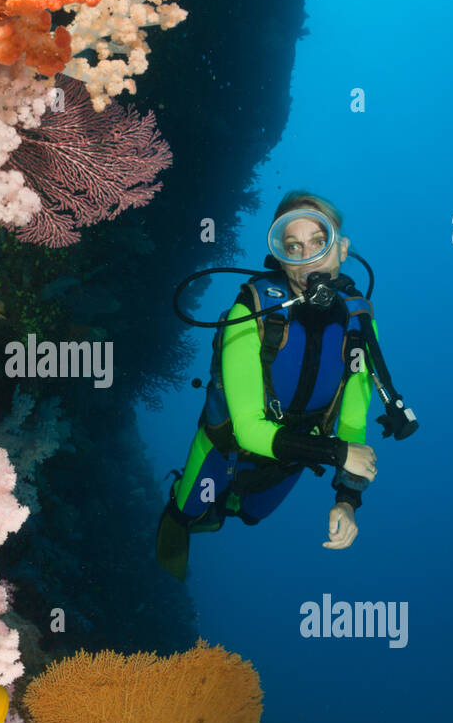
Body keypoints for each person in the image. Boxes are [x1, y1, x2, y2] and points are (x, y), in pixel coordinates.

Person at [156, 192, 379, 581]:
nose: (308, 258)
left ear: (342, 249)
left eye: (320, 242)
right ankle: (186, 519)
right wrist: (337, 453)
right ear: (280, 258)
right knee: (184, 513)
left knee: (251, 515)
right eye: (293, 247)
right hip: (224, 447)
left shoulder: (360, 326)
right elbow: (246, 429)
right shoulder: (250, 313)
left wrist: (347, 501)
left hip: (291, 459)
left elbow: (352, 424)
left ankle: (223, 509)